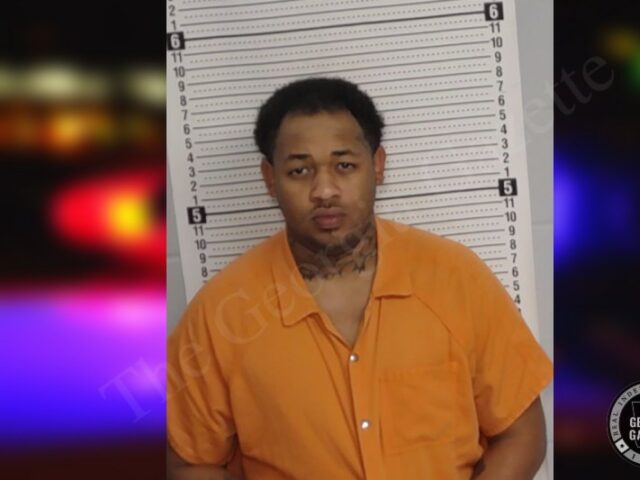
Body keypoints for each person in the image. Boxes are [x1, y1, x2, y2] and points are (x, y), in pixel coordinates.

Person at [167, 77, 553, 480]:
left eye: (344, 165)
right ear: (269, 179)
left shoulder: (456, 278)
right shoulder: (223, 313)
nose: (324, 190)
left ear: (378, 165)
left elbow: (521, 434)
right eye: (299, 170)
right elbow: (190, 462)